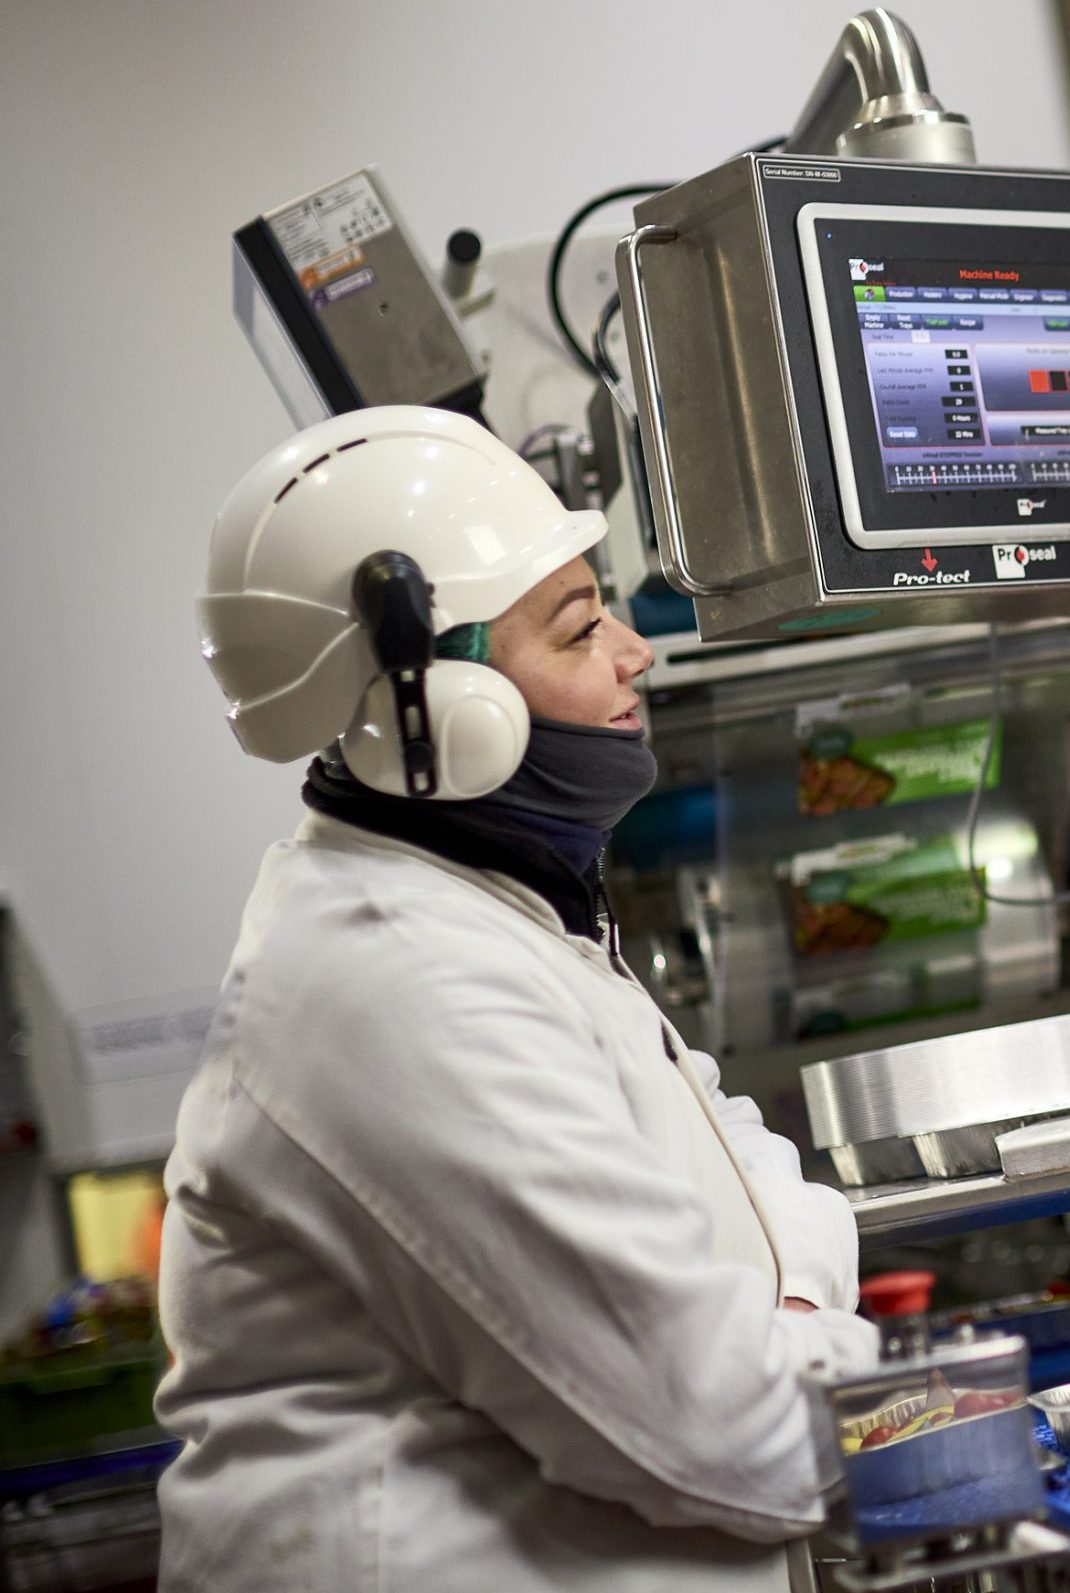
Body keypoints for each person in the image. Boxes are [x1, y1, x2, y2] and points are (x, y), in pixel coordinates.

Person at [165, 405, 878, 1591]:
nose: (634, 652)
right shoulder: (397, 983)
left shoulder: (491, 909)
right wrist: (826, 1344)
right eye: (580, 624)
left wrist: (786, 1300)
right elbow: (740, 1440)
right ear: (432, 702)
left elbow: (736, 1149)